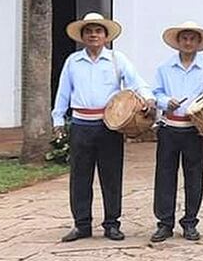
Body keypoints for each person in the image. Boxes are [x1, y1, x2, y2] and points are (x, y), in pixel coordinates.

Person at [52, 12, 154, 242]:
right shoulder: (73, 62)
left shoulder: (117, 60)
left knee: (111, 176)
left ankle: (112, 224)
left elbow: (137, 82)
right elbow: (63, 92)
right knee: (80, 177)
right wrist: (58, 119)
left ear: (106, 36)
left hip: (110, 126)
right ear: (82, 37)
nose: (93, 35)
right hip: (80, 125)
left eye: (98, 31)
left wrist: (148, 99)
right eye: (88, 31)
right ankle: (81, 225)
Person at [150, 21, 203, 243]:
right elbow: (156, 93)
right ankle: (165, 223)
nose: (188, 42)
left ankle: (190, 222)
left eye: (192, 39)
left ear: (199, 43)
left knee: (194, 177)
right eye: (184, 38)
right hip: (169, 128)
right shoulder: (164, 68)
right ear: (178, 42)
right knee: (165, 176)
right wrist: (166, 102)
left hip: (194, 129)